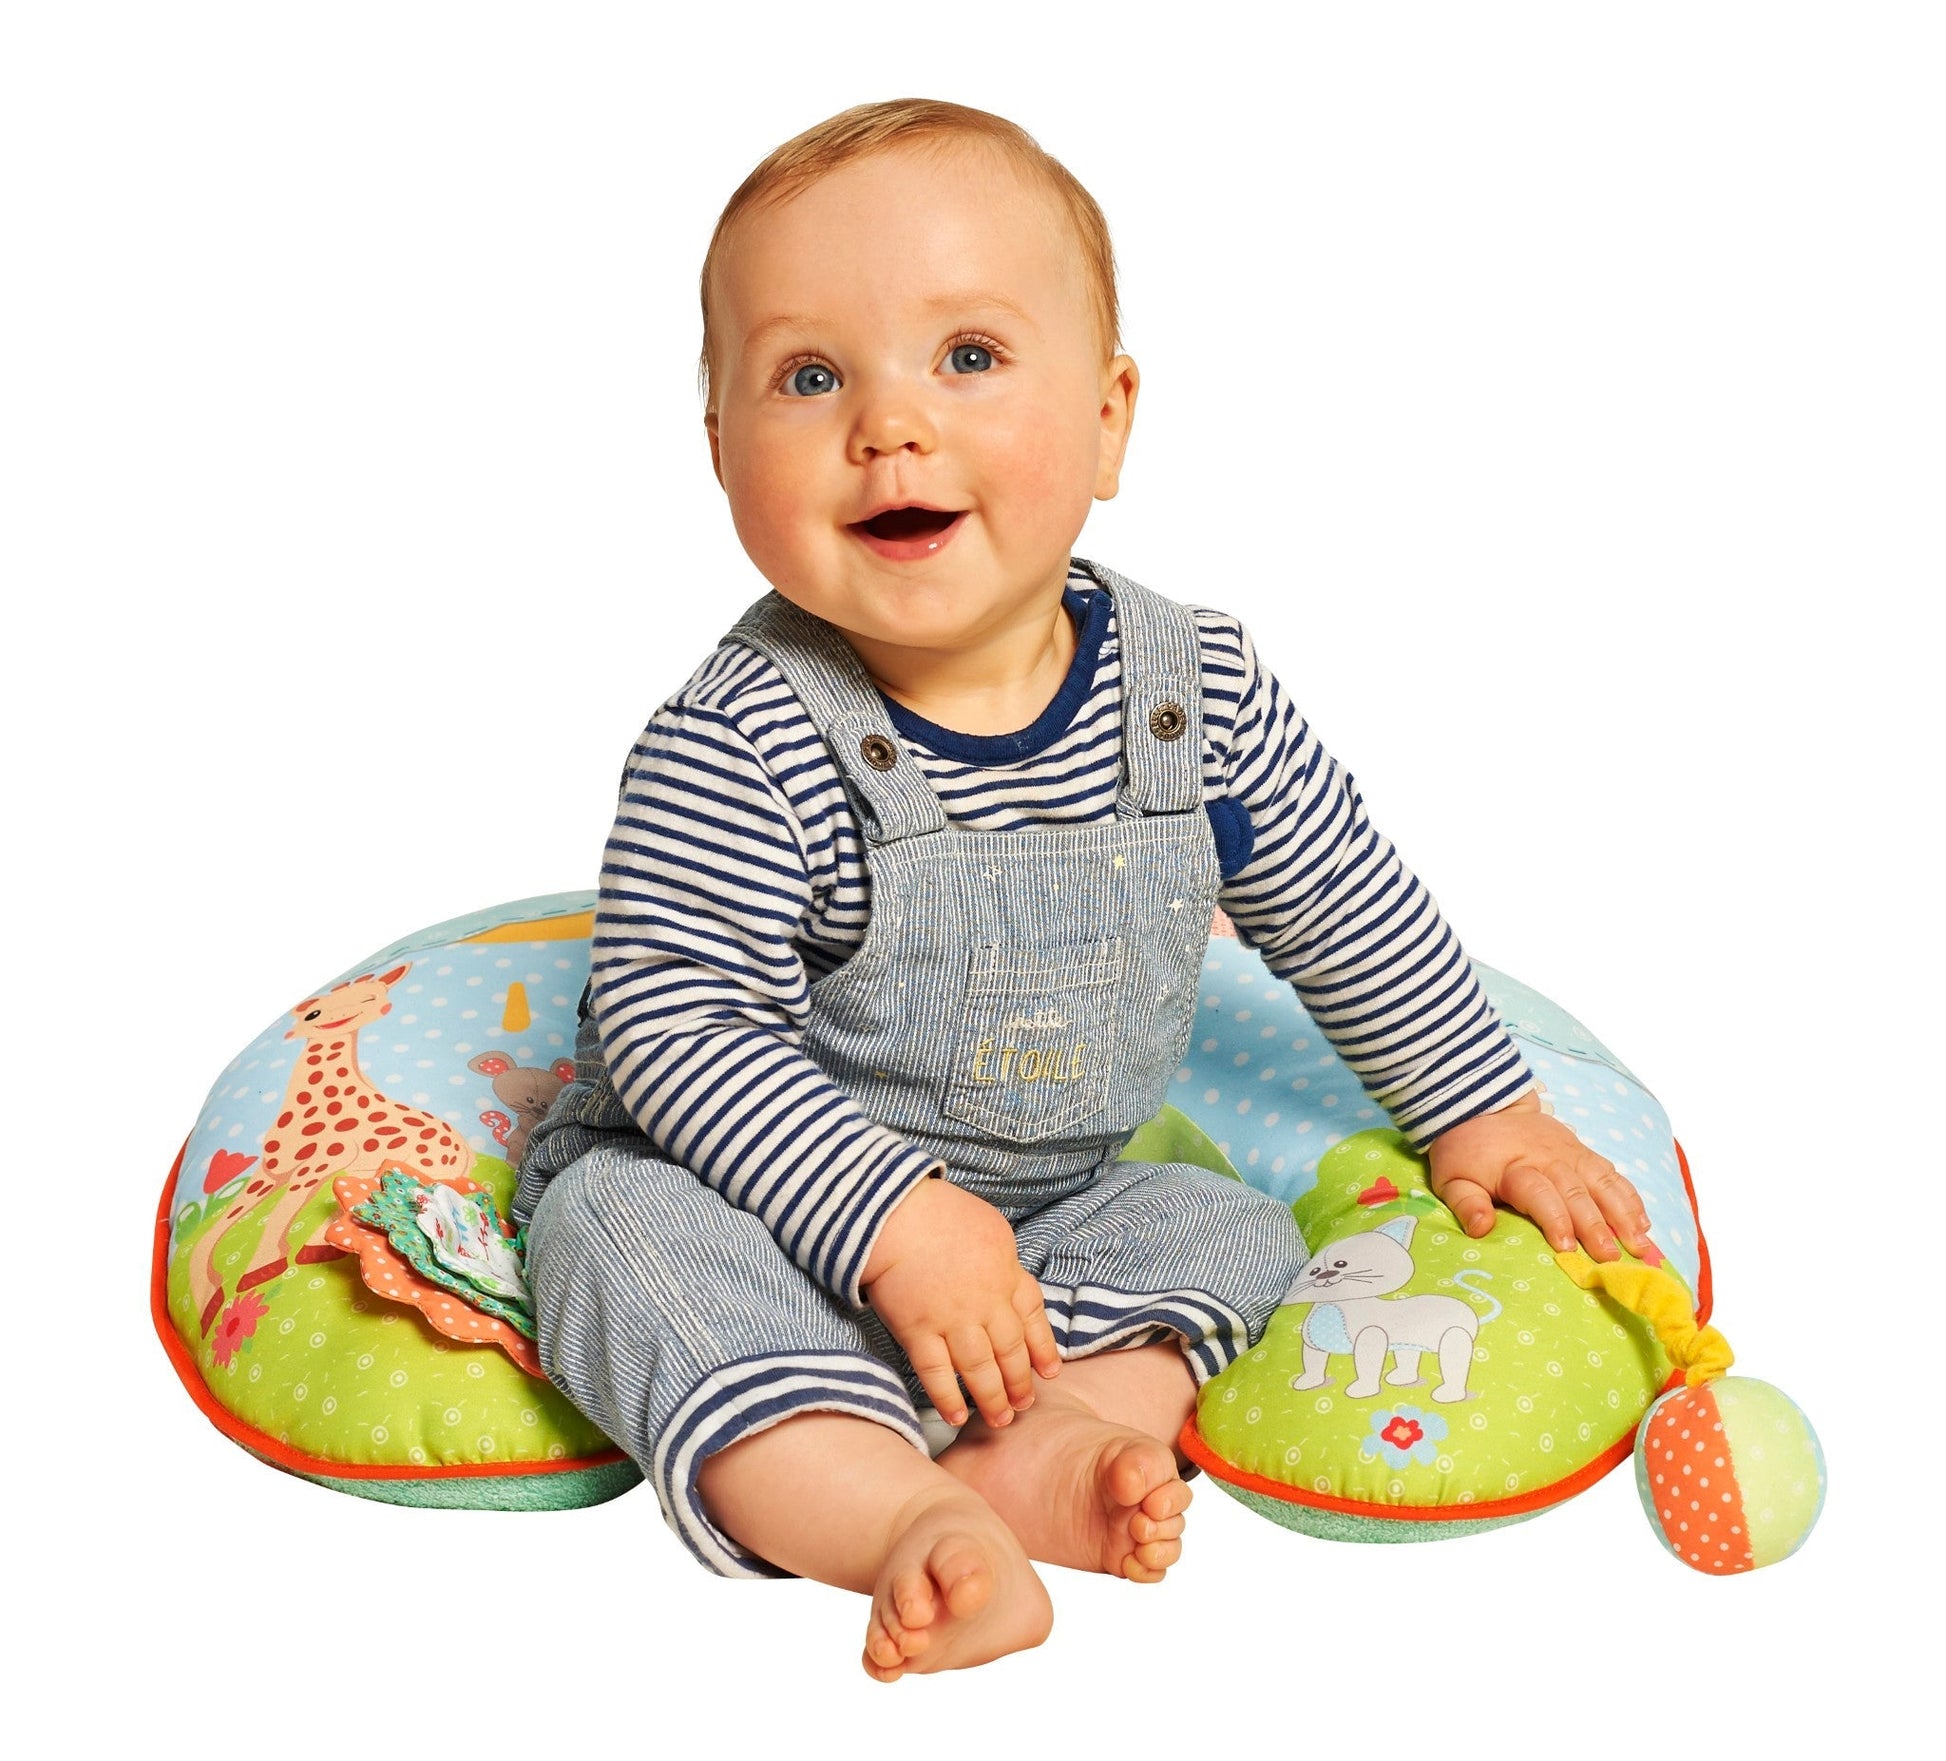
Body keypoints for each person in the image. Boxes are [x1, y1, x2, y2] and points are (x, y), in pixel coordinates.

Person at [511, 98, 1653, 1681]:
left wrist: (1477, 1107)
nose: (888, 424)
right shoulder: (741, 737)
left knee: (1231, 1229)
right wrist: (890, 1221)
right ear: (718, 449)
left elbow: (1343, 898)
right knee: (611, 1236)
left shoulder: (1195, 695)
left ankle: (1045, 1446)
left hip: (1047, 1208)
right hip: (751, 1204)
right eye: (810, 376)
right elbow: (674, 1026)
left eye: (967, 356)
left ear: (1110, 420)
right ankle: (892, 1515)